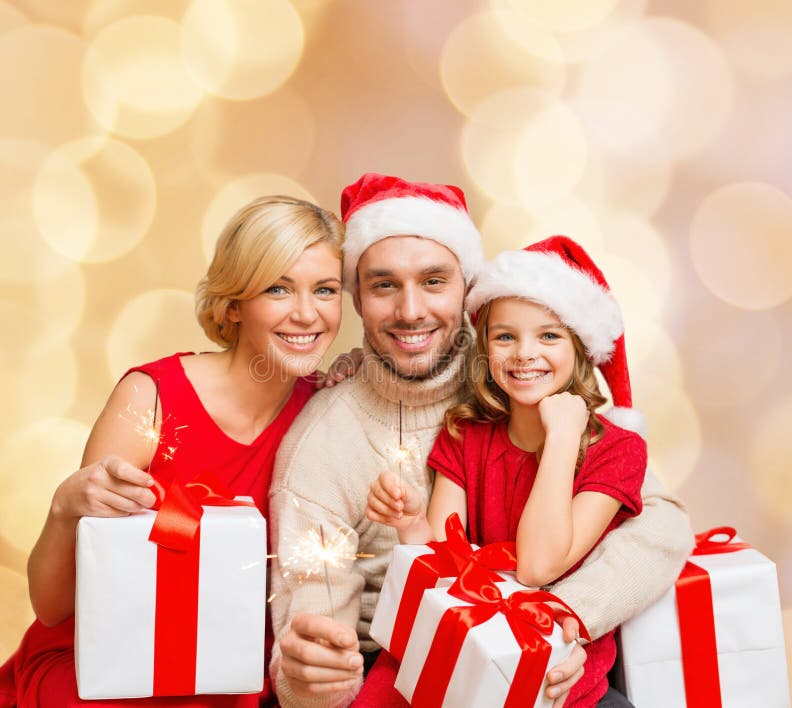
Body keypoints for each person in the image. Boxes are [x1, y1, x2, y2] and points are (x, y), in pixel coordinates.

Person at [268, 173, 693, 708]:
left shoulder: (519, 378)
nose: (410, 310)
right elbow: (316, 642)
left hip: (550, 649)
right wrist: (312, 675)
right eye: (383, 285)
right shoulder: (325, 443)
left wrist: (559, 620)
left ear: (469, 289)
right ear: (356, 297)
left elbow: (662, 522)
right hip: (410, 656)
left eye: (434, 281)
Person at [0, 195, 345, 708]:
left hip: (227, 679)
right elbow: (52, 609)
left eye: (326, 290)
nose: (306, 313)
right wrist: (63, 508)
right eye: (278, 288)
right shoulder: (152, 399)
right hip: (104, 672)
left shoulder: (326, 411)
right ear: (234, 304)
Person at [367, 237, 647, 707]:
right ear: (486, 346)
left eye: (549, 336)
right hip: (472, 662)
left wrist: (561, 439)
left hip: (563, 679)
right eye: (505, 336)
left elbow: (538, 565)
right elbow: (439, 572)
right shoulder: (465, 434)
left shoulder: (618, 451)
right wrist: (409, 523)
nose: (524, 353)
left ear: (580, 348)